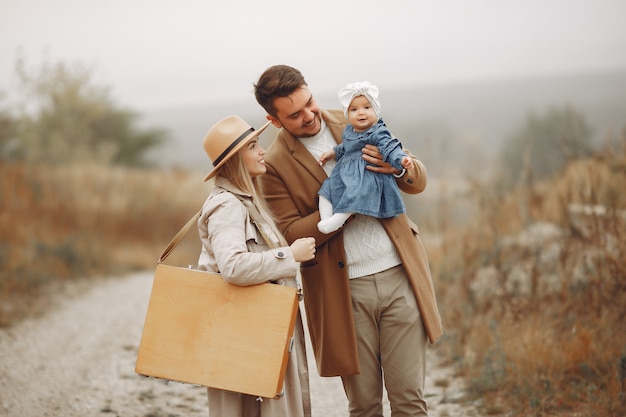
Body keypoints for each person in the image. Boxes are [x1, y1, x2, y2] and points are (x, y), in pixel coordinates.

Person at [253, 65, 443, 417]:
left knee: (410, 402)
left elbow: (416, 176)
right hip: (343, 292)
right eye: (295, 115)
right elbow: (292, 234)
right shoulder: (275, 164)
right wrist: (348, 205)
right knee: (364, 406)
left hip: (400, 275)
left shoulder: (357, 116)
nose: (310, 115)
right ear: (274, 120)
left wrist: (399, 169)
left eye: (309, 102)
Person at [196, 115, 316, 417]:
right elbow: (233, 267)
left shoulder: (244, 200)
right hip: (246, 334)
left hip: (259, 330)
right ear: (236, 160)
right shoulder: (227, 205)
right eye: (253, 146)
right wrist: (290, 256)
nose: (262, 151)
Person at [317, 81, 415, 234]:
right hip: (345, 172)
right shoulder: (349, 130)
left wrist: (401, 159)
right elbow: (346, 146)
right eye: (354, 109)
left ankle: (338, 219)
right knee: (326, 190)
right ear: (347, 115)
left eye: (367, 107)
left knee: (353, 193)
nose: (361, 112)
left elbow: (389, 147)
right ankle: (326, 219)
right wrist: (333, 152)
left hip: (366, 174)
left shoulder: (378, 132)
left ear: (375, 110)